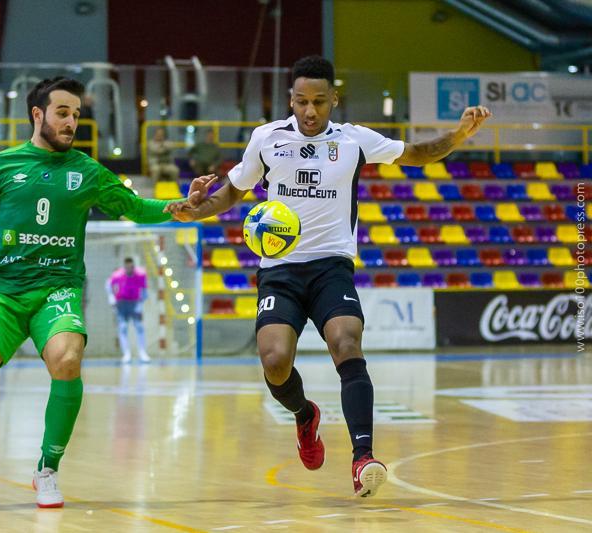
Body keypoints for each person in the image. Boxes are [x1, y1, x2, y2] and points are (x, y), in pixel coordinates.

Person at [167, 55, 491, 498]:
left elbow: (416, 154)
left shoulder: (355, 140)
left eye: (319, 101)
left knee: (346, 342)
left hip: (331, 266)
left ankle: (363, 458)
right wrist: (195, 210)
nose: (310, 111)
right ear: (291, 100)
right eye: (301, 101)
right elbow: (233, 191)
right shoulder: (266, 139)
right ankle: (304, 415)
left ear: (333, 99)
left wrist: (457, 136)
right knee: (275, 361)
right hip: (279, 270)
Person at [0, 76, 214, 508]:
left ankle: (47, 469)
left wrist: (175, 208)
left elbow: (133, 208)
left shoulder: (87, 171)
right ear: (37, 115)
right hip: (3, 289)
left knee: (68, 359)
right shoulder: (2, 166)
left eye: (76, 114)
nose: (71, 122)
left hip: (58, 289)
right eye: (62, 112)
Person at [106, 257, 150, 363]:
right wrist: (111, 298)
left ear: (133, 266)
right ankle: (126, 354)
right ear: (125, 266)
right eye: (127, 267)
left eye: (131, 267)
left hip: (135, 303)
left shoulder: (140, 274)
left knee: (139, 327)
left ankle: (142, 352)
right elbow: (108, 285)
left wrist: (141, 303)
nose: (129, 269)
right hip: (121, 304)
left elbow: (144, 290)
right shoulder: (117, 275)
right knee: (123, 328)